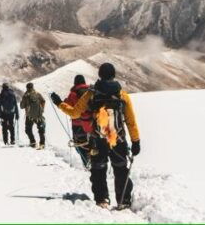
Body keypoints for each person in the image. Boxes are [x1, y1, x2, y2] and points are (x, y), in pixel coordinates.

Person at [52, 63, 141, 210]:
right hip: (118, 138)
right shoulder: (122, 95)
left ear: (99, 75)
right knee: (121, 168)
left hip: (98, 138)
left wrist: (59, 103)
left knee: (98, 169)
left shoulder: (92, 93)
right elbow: (131, 121)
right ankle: (123, 200)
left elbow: (75, 113)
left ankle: (102, 199)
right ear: (114, 75)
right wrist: (136, 140)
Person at [65, 74, 93, 167]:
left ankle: (87, 163)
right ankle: (92, 160)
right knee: (90, 143)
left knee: (79, 145)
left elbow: (68, 108)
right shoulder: (90, 91)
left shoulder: (73, 94)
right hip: (91, 123)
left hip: (77, 124)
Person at [20, 82, 46, 149]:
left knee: (28, 130)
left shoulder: (25, 96)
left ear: (27, 88)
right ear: (33, 87)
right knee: (41, 129)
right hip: (39, 115)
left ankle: (33, 142)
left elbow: (21, 106)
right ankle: (42, 143)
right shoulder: (37, 94)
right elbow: (43, 101)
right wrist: (42, 109)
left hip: (29, 116)